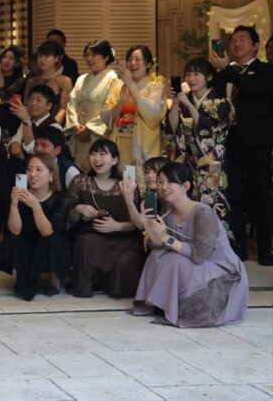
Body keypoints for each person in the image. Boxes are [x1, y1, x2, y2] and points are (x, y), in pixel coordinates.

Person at [135, 162, 249, 327]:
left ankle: (179, 307)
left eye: (170, 182)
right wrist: (148, 226)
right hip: (195, 265)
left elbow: (199, 255)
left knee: (174, 259)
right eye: (160, 182)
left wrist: (167, 238)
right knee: (157, 256)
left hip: (221, 270)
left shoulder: (203, 213)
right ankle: (162, 305)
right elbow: (158, 245)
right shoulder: (167, 209)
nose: (164, 187)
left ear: (186, 186)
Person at [209, 25, 273, 264]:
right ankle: (239, 248)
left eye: (242, 39)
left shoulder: (266, 70)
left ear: (256, 45)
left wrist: (227, 69)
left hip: (258, 141)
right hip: (230, 140)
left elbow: (254, 89)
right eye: (233, 40)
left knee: (261, 194)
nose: (236, 43)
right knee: (234, 193)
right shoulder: (223, 73)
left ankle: (265, 250)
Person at [67, 138, 144, 299]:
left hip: (124, 239)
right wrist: (78, 208)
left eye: (103, 154)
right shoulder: (80, 182)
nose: (97, 159)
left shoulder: (127, 184)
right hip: (93, 236)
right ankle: (86, 286)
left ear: (115, 160)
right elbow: (69, 218)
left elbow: (138, 224)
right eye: (93, 154)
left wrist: (117, 226)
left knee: (126, 262)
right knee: (86, 242)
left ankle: (108, 282)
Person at [167, 58, 234, 239]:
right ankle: (189, 240)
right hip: (189, 161)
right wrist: (175, 103)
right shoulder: (183, 98)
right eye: (188, 75)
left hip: (210, 162)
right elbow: (172, 128)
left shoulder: (220, 102)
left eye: (196, 74)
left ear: (209, 77)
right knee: (188, 200)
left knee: (212, 201)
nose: (191, 79)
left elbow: (212, 131)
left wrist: (189, 106)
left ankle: (217, 243)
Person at [0, 154, 71, 301]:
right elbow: (15, 230)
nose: (32, 174)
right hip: (27, 243)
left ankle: (54, 281)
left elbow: (47, 232)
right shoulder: (19, 195)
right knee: (15, 240)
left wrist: (36, 207)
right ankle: (24, 279)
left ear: (51, 175)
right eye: (29, 169)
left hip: (49, 243)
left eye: (39, 170)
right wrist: (14, 204)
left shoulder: (61, 199)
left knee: (53, 241)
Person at [106, 45, 167, 181]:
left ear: (148, 64)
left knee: (142, 184)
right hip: (121, 144)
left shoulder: (155, 87)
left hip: (142, 146)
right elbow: (106, 118)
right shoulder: (118, 87)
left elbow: (154, 115)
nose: (133, 63)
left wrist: (131, 86)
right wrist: (121, 102)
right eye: (130, 59)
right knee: (125, 183)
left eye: (138, 59)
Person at [65, 40, 122, 171]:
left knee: (98, 165)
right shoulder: (81, 79)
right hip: (79, 131)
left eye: (94, 55)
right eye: (87, 55)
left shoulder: (115, 79)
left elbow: (110, 107)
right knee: (80, 168)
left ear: (106, 57)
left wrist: (89, 129)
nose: (89, 59)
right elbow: (71, 103)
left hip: (98, 133)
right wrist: (75, 126)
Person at [6, 85, 61, 165]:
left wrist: (27, 121)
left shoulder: (54, 127)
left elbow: (33, 150)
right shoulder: (28, 120)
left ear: (49, 106)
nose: (33, 103)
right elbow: (15, 140)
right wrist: (12, 145)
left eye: (39, 100)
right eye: (31, 99)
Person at [23, 40, 72, 126]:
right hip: (31, 125)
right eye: (40, 56)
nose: (42, 60)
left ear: (56, 58)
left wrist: (52, 127)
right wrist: (29, 124)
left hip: (54, 125)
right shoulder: (31, 81)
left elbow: (63, 109)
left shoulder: (64, 81)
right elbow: (26, 106)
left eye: (47, 56)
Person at [0, 45, 25, 135]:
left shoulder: (19, 80)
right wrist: (3, 101)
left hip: (11, 119)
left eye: (11, 58)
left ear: (17, 63)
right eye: (4, 57)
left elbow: (4, 96)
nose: (7, 61)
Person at [33, 127, 81, 192]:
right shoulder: (30, 165)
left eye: (44, 145)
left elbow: (78, 196)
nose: (38, 149)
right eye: (36, 144)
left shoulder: (69, 171)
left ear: (57, 150)